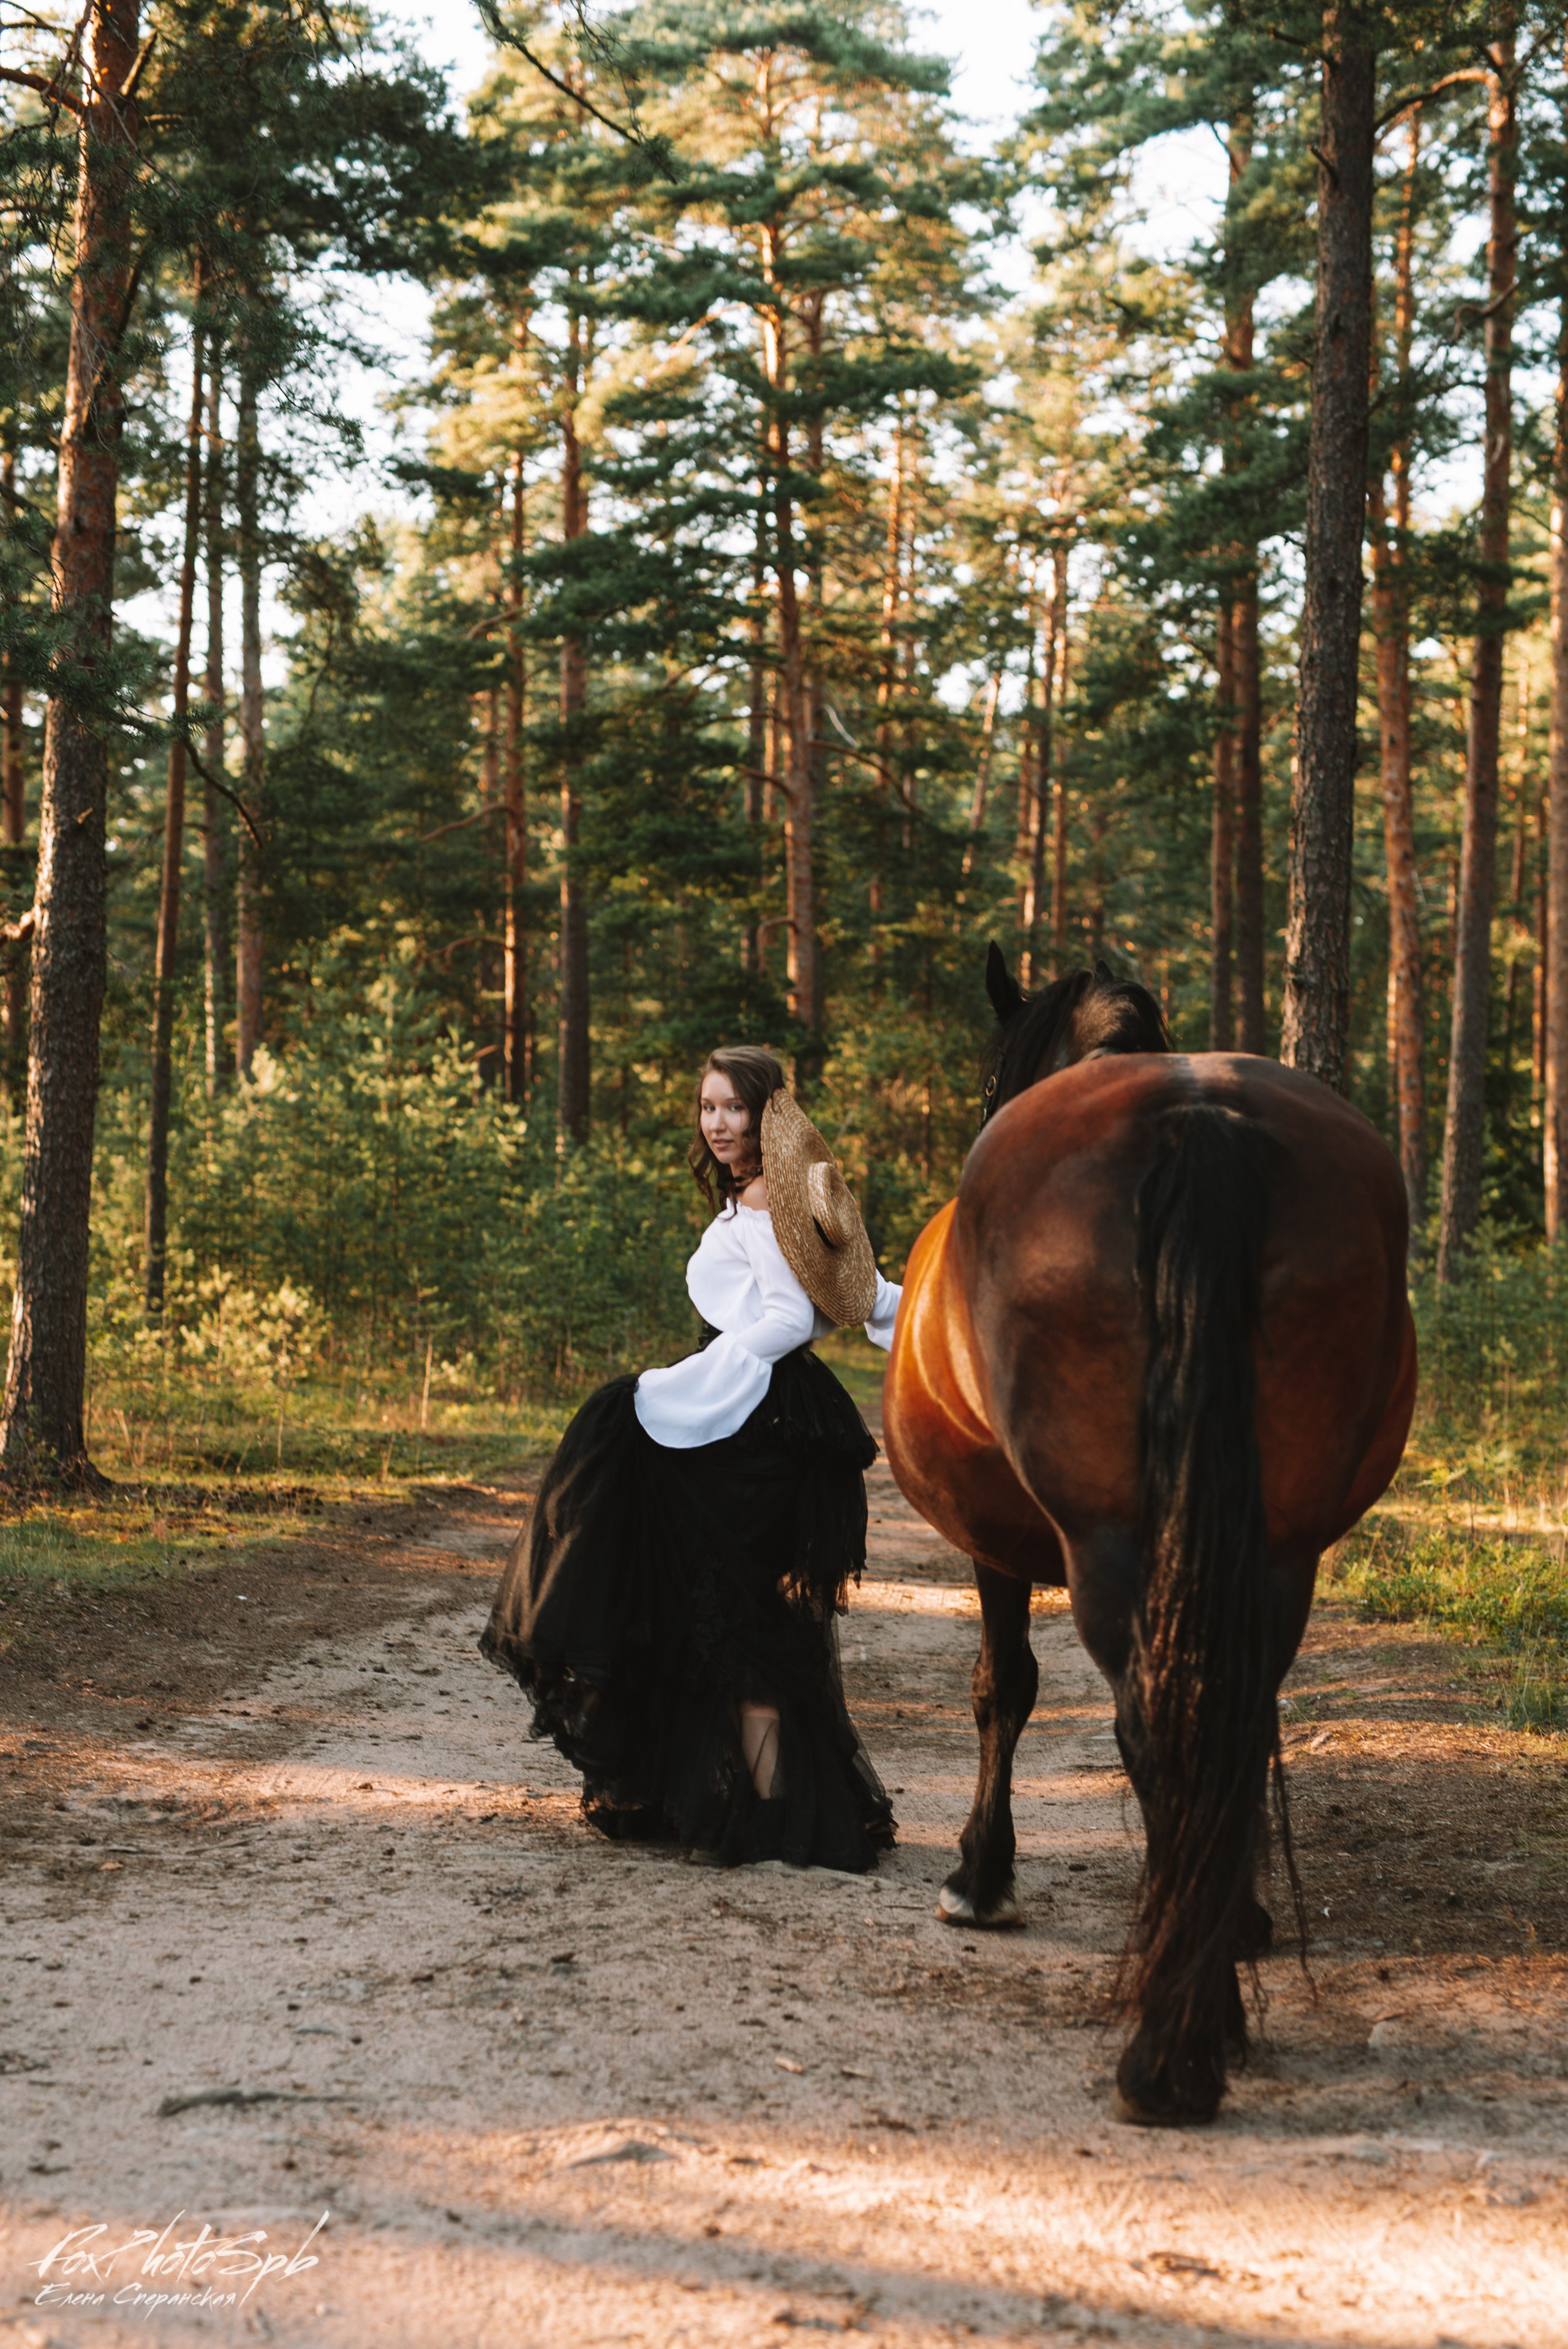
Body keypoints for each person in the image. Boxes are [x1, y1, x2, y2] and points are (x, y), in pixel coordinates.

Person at [481, 1046, 902, 1872]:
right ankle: (743, 1797)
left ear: (767, 1116)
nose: (717, 1124)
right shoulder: (758, 1197)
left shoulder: (770, 1198)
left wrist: (690, 1382)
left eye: (734, 1109)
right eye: (708, 1107)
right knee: (716, 1607)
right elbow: (854, 1298)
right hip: (761, 1408)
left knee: (732, 1611)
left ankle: (772, 1808)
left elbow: (788, 1319)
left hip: (756, 1411)